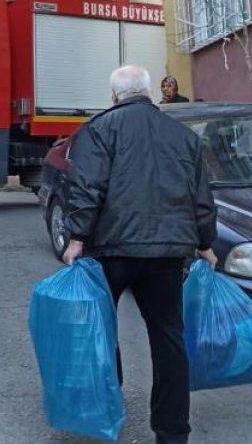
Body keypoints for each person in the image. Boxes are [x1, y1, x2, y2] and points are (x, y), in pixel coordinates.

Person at [61, 65, 217, 444]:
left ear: (113, 97)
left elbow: (87, 187)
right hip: (167, 254)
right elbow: (201, 197)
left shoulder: (99, 130)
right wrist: (206, 243)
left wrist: (77, 237)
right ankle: (173, 432)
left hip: (112, 250)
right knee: (168, 337)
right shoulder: (183, 137)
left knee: (101, 330)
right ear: (150, 93)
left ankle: (103, 417)